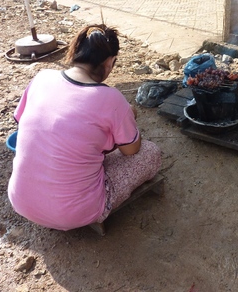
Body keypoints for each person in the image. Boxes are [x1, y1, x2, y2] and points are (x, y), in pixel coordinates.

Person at [8, 24, 162, 231]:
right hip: (74, 213)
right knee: (150, 152)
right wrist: (128, 118)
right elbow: (131, 150)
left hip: (21, 200)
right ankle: (94, 205)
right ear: (109, 62)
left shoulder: (41, 78)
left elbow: (27, 125)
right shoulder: (111, 98)